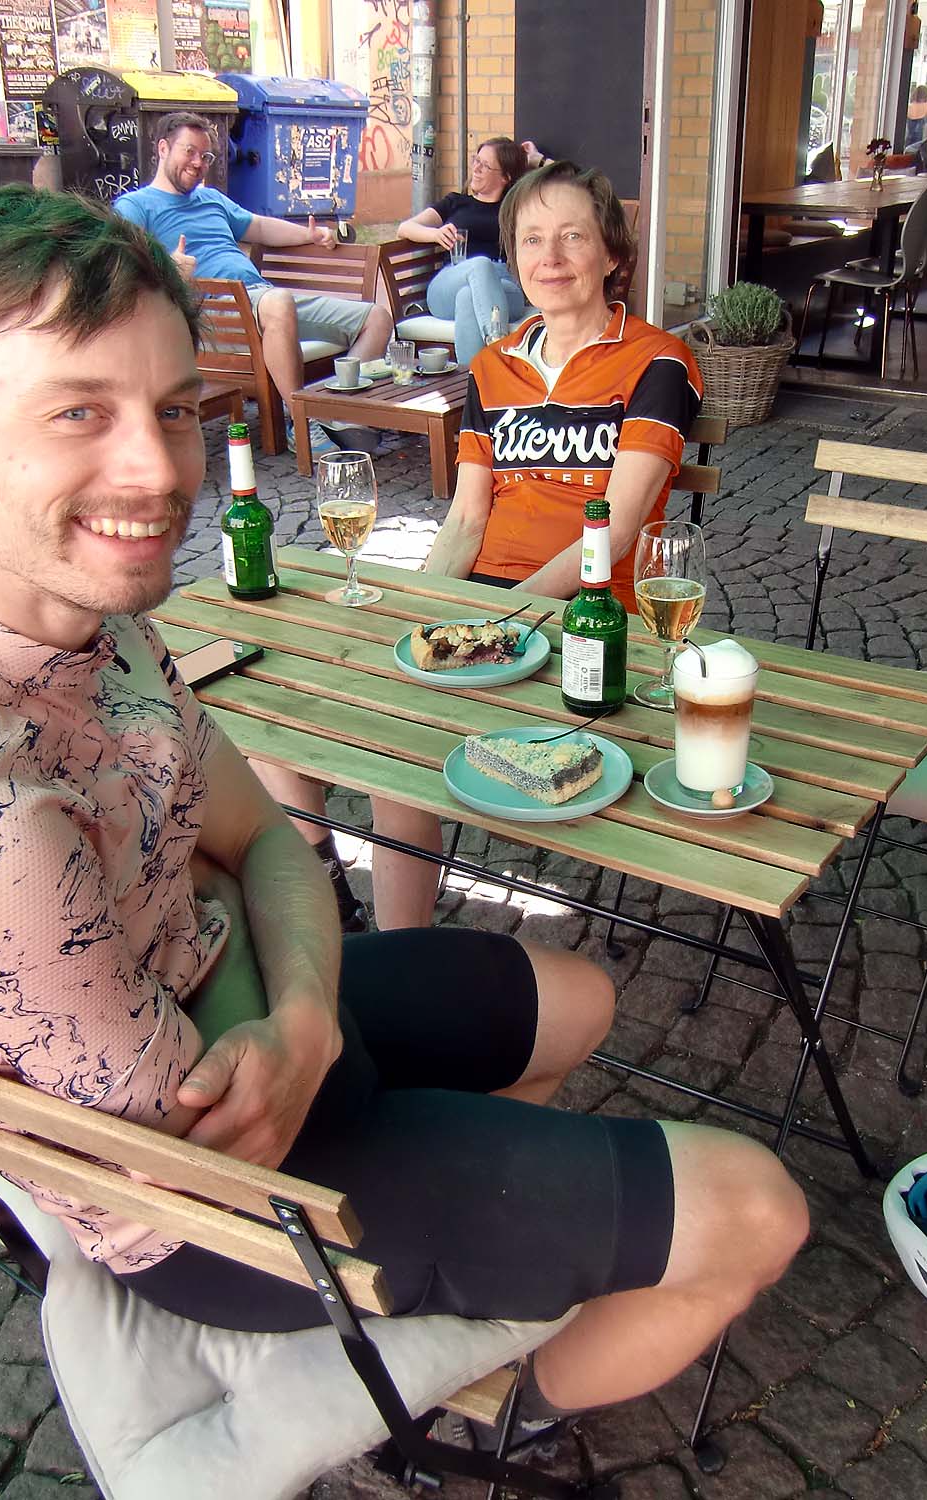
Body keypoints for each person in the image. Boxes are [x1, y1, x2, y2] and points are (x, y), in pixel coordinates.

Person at [0, 184, 806, 1445]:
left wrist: (301, 1016)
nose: (157, 471)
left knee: (580, 996)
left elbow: (261, 834)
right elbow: (210, 1134)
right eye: (77, 412)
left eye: (171, 408)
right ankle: (494, 1408)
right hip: (204, 1211)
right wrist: (247, 933)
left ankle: (472, 1241)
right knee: (757, 1208)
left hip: (258, 1008)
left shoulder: (78, 613)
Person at [260, 160, 700, 932]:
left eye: (573, 237)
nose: (550, 257)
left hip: (589, 621)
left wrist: (501, 620)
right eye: (531, 239)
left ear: (611, 253)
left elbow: (619, 530)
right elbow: (466, 521)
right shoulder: (492, 368)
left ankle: (401, 954)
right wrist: (414, 607)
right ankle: (335, 903)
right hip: (484, 608)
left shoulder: (658, 361)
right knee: (281, 708)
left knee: (397, 754)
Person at [113, 112, 393, 458]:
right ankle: (301, 421)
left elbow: (258, 227)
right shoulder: (135, 206)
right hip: (215, 314)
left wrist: (309, 235)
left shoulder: (211, 199)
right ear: (163, 149)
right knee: (278, 301)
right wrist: (167, 268)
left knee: (377, 318)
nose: (198, 163)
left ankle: (333, 414)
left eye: (206, 156)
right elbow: (124, 267)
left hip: (260, 300)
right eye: (189, 152)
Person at [393, 137, 531, 366]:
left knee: (468, 296)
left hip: (504, 286)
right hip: (450, 282)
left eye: (485, 165)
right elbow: (405, 228)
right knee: (480, 264)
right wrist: (436, 234)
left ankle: (472, 378)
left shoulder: (517, 210)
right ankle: (497, 344)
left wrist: (537, 160)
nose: (476, 168)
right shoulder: (455, 203)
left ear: (505, 177)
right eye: (477, 160)